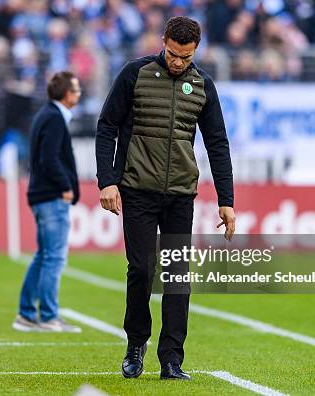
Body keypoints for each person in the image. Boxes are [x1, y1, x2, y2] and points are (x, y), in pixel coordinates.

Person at [95, 16, 236, 380]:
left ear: (195, 51)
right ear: (164, 42)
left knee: (177, 277)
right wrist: (107, 181)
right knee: (141, 270)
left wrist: (227, 199)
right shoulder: (134, 73)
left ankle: (172, 359)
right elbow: (107, 126)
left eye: (185, 58)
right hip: (137, 189)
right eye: (173, 55)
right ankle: (136, 342)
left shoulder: (203, 85)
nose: (177, 63)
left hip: (180, 196)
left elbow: (217, 143)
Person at [13, 71, 82, 333]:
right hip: (51, 196)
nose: (78, 94)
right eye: (76, 90)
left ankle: (27, 313)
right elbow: (50, 158)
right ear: (66, 94)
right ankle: (49, 316)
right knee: (54, 258)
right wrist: (65, 186)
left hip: (41, 195)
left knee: (43, 256)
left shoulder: (46, 115)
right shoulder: (54, 118)